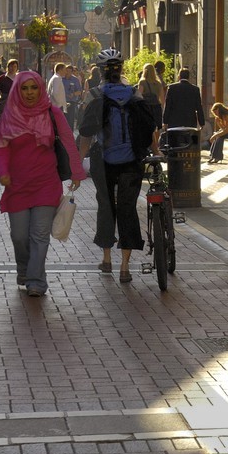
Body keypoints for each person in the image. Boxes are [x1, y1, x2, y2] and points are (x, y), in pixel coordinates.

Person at [0, 69, 87, 297]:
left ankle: (36, 281)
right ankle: (24, 269)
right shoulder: (10, 114)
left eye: (34, 87)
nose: (30, 92)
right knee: (19, 236)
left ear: (40, 88)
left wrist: (76, 172)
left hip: (46, 183)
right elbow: (2, 147)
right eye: (24, 88)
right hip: (17, 185)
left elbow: (68, 142)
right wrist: (3, 171)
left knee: (39, 234)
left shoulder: (52, 112)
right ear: (17, 90)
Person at [77, 49, 156, 283]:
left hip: (104, 162)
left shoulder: (93, 95)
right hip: (132, 162)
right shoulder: (134, 94)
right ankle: (125, 267)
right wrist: (156, 151)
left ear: (100, 72)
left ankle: (107, 259)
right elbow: (148, 128)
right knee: (127, 209)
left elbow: (86, 134)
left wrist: (79, 162)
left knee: (106, 206)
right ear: (121, 70)